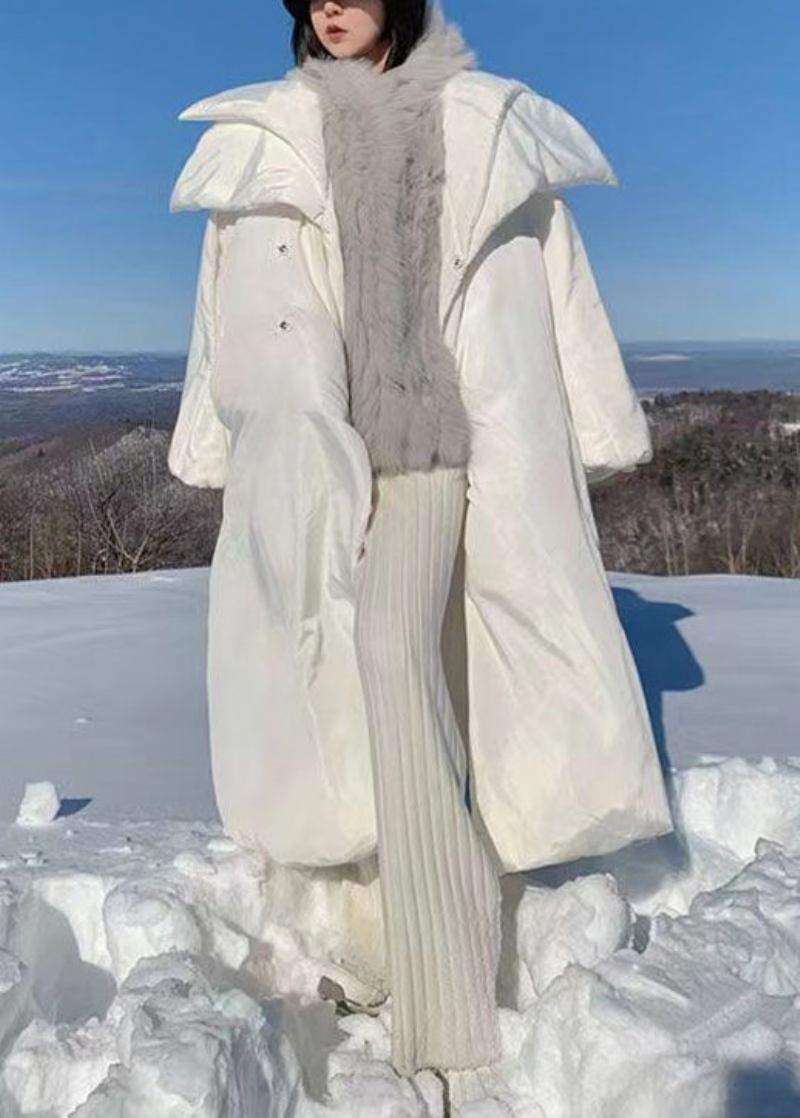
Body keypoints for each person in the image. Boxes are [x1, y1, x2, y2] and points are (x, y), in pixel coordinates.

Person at [167, 0, 674, 1086]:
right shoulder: (264, 138)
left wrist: (597, 419)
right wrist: (210, 440)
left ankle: (447, 1016)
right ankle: (379, 931)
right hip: (321, 467)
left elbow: (557, 280)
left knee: (394, 662)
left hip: (442, 454)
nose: (327, 7)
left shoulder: (485, 124)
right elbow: (218, 313)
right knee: (372, 688)